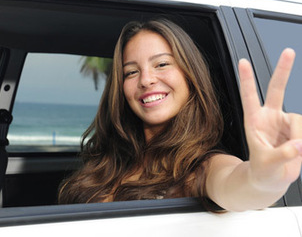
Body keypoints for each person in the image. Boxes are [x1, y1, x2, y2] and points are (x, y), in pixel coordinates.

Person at [58, 18, 302, 212]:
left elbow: (237, 184)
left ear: (190, 75)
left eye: (162, 64)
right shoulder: (110, 159)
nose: (146, 80)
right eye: (131, 72)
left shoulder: (202, 167)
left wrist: (264, 178)